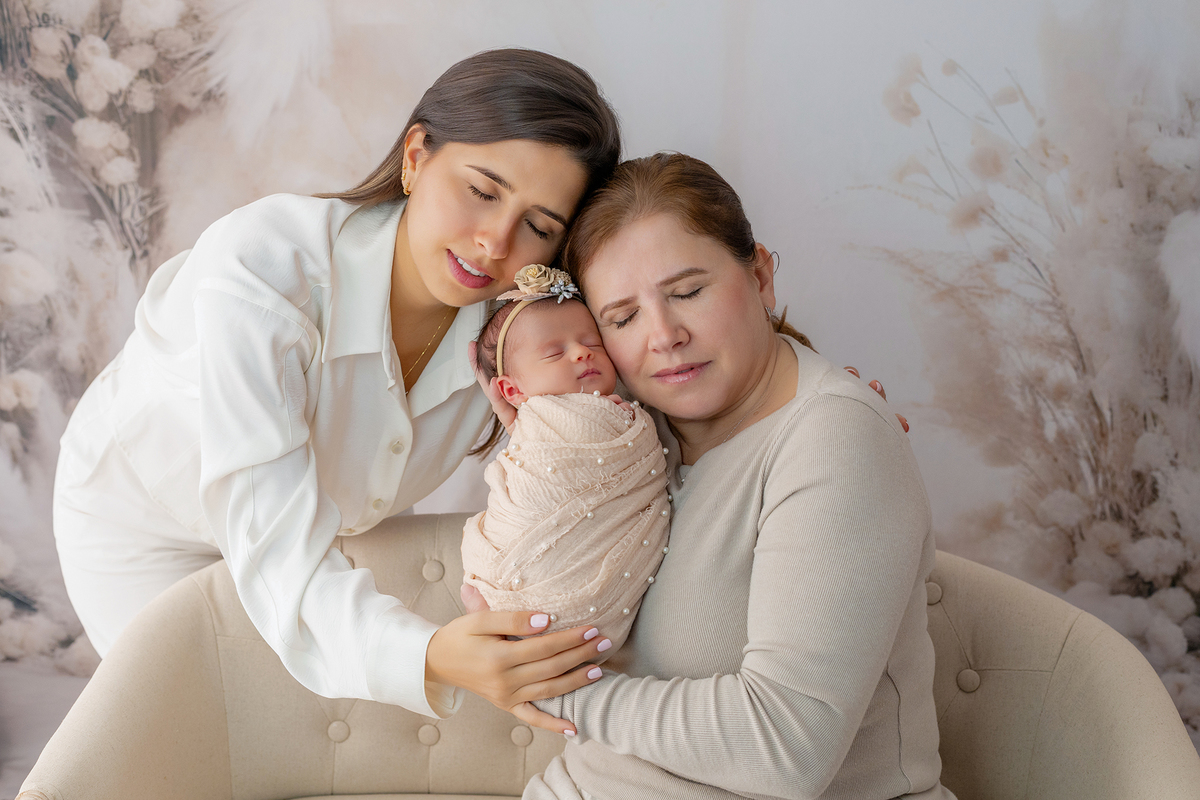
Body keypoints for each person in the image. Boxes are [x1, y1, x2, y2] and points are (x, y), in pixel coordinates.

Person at [51, 49, 622, 730]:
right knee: (203, 733)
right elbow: (275, 540)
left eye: (538, 224)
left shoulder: (517, 340)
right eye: (482, 189)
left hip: (317, 542)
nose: (495, 241)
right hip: (142, 524)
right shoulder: (266, 269)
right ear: (416, 156)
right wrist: (430, 655)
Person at [518, 153, 954, 799]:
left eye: (688, 292)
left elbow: (786, 749)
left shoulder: (834, 439)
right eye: (623, 317)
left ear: (761, 275)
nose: (663, 335)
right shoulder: (629, 431)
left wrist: (559, 694)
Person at [461, 265, 669, 656]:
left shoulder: (633, 414)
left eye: (593, 342)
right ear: (511, 389)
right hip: (514, 574)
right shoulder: (538, 429)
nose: (582, 352)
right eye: (555, 353)